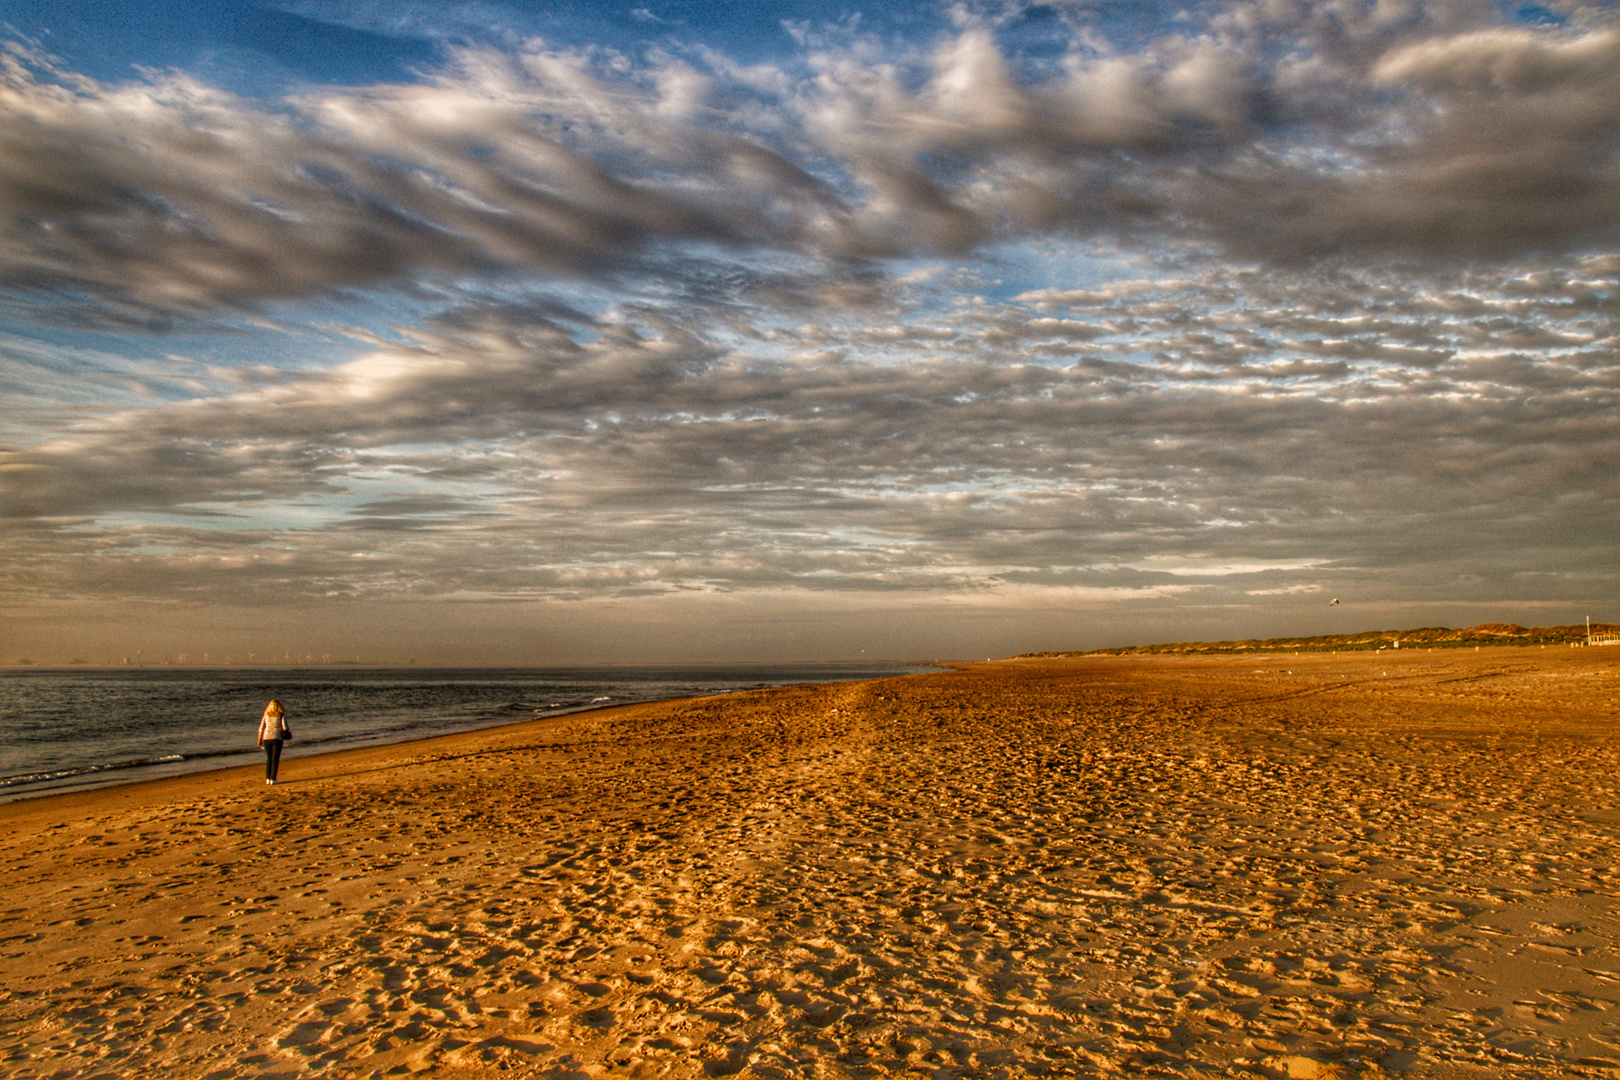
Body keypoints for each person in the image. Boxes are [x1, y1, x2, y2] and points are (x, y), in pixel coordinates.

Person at [257, 698, 293, 785]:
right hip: (277, 738)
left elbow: (261, 728)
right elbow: (285, 727)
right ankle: (273, 778)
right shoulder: (281, 715)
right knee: (275, 759)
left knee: (269, 759)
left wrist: (259, 740)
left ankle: (268, 778)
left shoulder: (266, 715)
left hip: (266, 738)